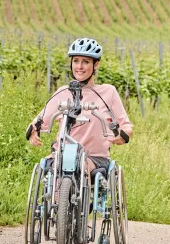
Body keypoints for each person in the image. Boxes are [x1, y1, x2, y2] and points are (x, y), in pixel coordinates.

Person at [26, 38, 133, 184]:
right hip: (62, 156)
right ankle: (57, 205)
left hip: (95, 158)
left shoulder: (108, 92)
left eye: (86, 62)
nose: (80, 66)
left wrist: (123, 135)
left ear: (96, 65)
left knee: (80, 166)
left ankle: (81, 205)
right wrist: (33, 129)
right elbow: (40, 119)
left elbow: (126, 125)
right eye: (76, 61)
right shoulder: (62, 92)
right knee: (55, 170)